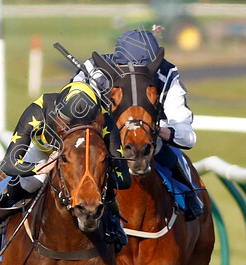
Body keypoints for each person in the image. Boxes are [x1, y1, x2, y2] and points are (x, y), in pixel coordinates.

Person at [72, 28, 203, 220]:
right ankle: (21, 192)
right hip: (99, 138)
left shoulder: (167, 75)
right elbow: (70, 114)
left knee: (166, 150)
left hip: (151, 137)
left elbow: (187, 135)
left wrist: (159, 131)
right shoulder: (92, 71)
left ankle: (190, 195)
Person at [0, 81, 130, 251]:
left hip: (80, 160)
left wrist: (101, 175)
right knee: (35, 181)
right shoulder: (38, 111)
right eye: (68, 123)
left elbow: (124, 179)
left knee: (96, 179)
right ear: (58, 112)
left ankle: (113, 222)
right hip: (44, 153)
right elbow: (8, 164)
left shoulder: (106, 121)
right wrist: (39, 168)